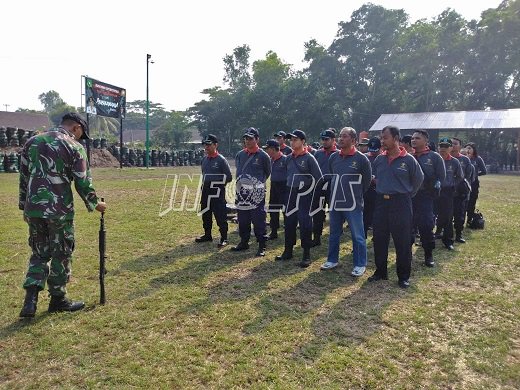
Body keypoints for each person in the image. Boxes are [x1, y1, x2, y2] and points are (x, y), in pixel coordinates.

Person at [18, 112, 107, 318]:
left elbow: (23, 176)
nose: (79, 137)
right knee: (61, 252)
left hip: (34, 208)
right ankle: (58, 299)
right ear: (76, 127)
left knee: (39, 253)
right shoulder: (74, 146)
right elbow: (82, 180)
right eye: (81, 133)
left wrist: (24, 206)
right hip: (59, 210)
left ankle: (30, 301)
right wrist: (95, 203)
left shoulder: (32, 142)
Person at [369, 125, 423, 288]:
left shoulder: (408, 160)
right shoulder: (379, 159)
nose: (382, 141)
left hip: (401, 203)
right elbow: (376, 178)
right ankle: (380, 271)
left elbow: (418, 180)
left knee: (402, 241)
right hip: (381, 203)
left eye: (385, 137)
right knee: (379, 238)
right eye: (381, 137)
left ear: (396, 139)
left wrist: (405, 194)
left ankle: (403, 276)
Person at [321, 127, 372, 276]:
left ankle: (360, 263)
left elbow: (366, 181)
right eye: (340, 136)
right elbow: (332, 176)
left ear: (354, 141)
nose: (340, 139)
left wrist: (355, 194)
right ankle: (332, 260)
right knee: (334, 233)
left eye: (345, 136)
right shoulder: (334, 158)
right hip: (336, 202)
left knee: (357, 235)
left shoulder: (361, 159)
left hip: (353, 204)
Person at [275, 130, 323, 268]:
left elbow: (319, 178)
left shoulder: (309, 158)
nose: (292, 142)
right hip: (291, 193)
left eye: (295, 139)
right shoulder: (288, 158)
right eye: (291, 139)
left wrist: (309, 192)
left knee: (305, 224)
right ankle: (288, 251)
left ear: (303, 141)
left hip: (304, 194)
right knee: (289, 223)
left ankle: (306, 254)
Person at [232, 127, 271, 256]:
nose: (247, 141)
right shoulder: (240, 155)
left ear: (257, 139)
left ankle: (262, 245)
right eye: (246, 138)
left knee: (258, 219)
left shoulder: (263, 156)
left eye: (250, 138)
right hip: (241, 192)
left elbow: (267, 172)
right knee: (243, 219)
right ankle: (244, 242)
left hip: (256, 194)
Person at [411, 130, 446, 267]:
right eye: (413, 138)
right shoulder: (408, 156)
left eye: (417, 138)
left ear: (426, 141)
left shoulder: (434, 157)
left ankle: (428, 254)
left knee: (426, 225)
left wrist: (433, 189)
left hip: (426, 196)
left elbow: (441, 176)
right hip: (410, 196)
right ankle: (406, 254)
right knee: (408, 225)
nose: (414, 140)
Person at [195, 134, 232, 247]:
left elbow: (229, 177)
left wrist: (218, 184)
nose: (206, 147)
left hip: (217, 190)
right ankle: (207, 235)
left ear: (215, 145)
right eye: (205, 145)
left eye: (209, 145)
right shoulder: (204, 159)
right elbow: (204, 174)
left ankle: (224, 238)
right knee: (206, 213)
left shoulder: (221, 160)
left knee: (220, 215)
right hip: (206, 190)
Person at [435, 138, 463, 250]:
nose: (443, 149)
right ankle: (426, 239)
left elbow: (460, 176)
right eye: (441, 146)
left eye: (446, 146)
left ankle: (448, 241)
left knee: (447, 217)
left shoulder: (454, 162)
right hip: (433, 191)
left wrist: (452, 184)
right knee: (429, 216)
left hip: (447, 192)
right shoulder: (434, 159)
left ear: (451, 148)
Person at [312, 128, 337, 247]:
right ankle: (316, 237)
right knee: (317, 212)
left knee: (335, 213)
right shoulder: (318, 153)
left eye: (326, 139)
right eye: (322, 139)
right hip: (319, 185)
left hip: (333, 186)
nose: (324, 142)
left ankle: (335, 236)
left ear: (333, 140)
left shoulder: (338, 154)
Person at [263, 139, 288, 240]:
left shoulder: (285, 159)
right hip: (274, 186)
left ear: (273, 149)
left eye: (267, 149)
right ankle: (273, 232)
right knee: (273, 209)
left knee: (286, 211)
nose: (266, 151)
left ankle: (288, 231)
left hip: (285, 187)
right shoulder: (270, 160)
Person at [451, 137, 473, 243]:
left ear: (460, 146)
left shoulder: (465, 160)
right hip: (447, 192)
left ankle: (459, 234)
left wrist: (462, 186)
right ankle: (446, 235)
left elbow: (469, 175)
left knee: (459, 215)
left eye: (455, 144)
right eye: (451, 143)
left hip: (460, 193)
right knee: (446, 215)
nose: (453, 145)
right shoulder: (443, 158)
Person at [465, 142, 487, 225]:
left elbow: (484, 171)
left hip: (474, 183)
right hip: (463, 183)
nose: (468, 150)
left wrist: (475, 174)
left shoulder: (477, 159)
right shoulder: (462, 158)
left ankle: (470, 219)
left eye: (470, 148)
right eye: (466, 148)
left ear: (474, 150)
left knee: (472, 201)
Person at [363, 137, 381, 238]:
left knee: (377, 216)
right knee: (364, 215)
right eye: (371, 150)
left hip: (379, 191)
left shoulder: (384, 158)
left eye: (375, 150)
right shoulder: (364, 157)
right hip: (366, 190)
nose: (373, 153)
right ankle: (363, 235)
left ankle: (376, 237)